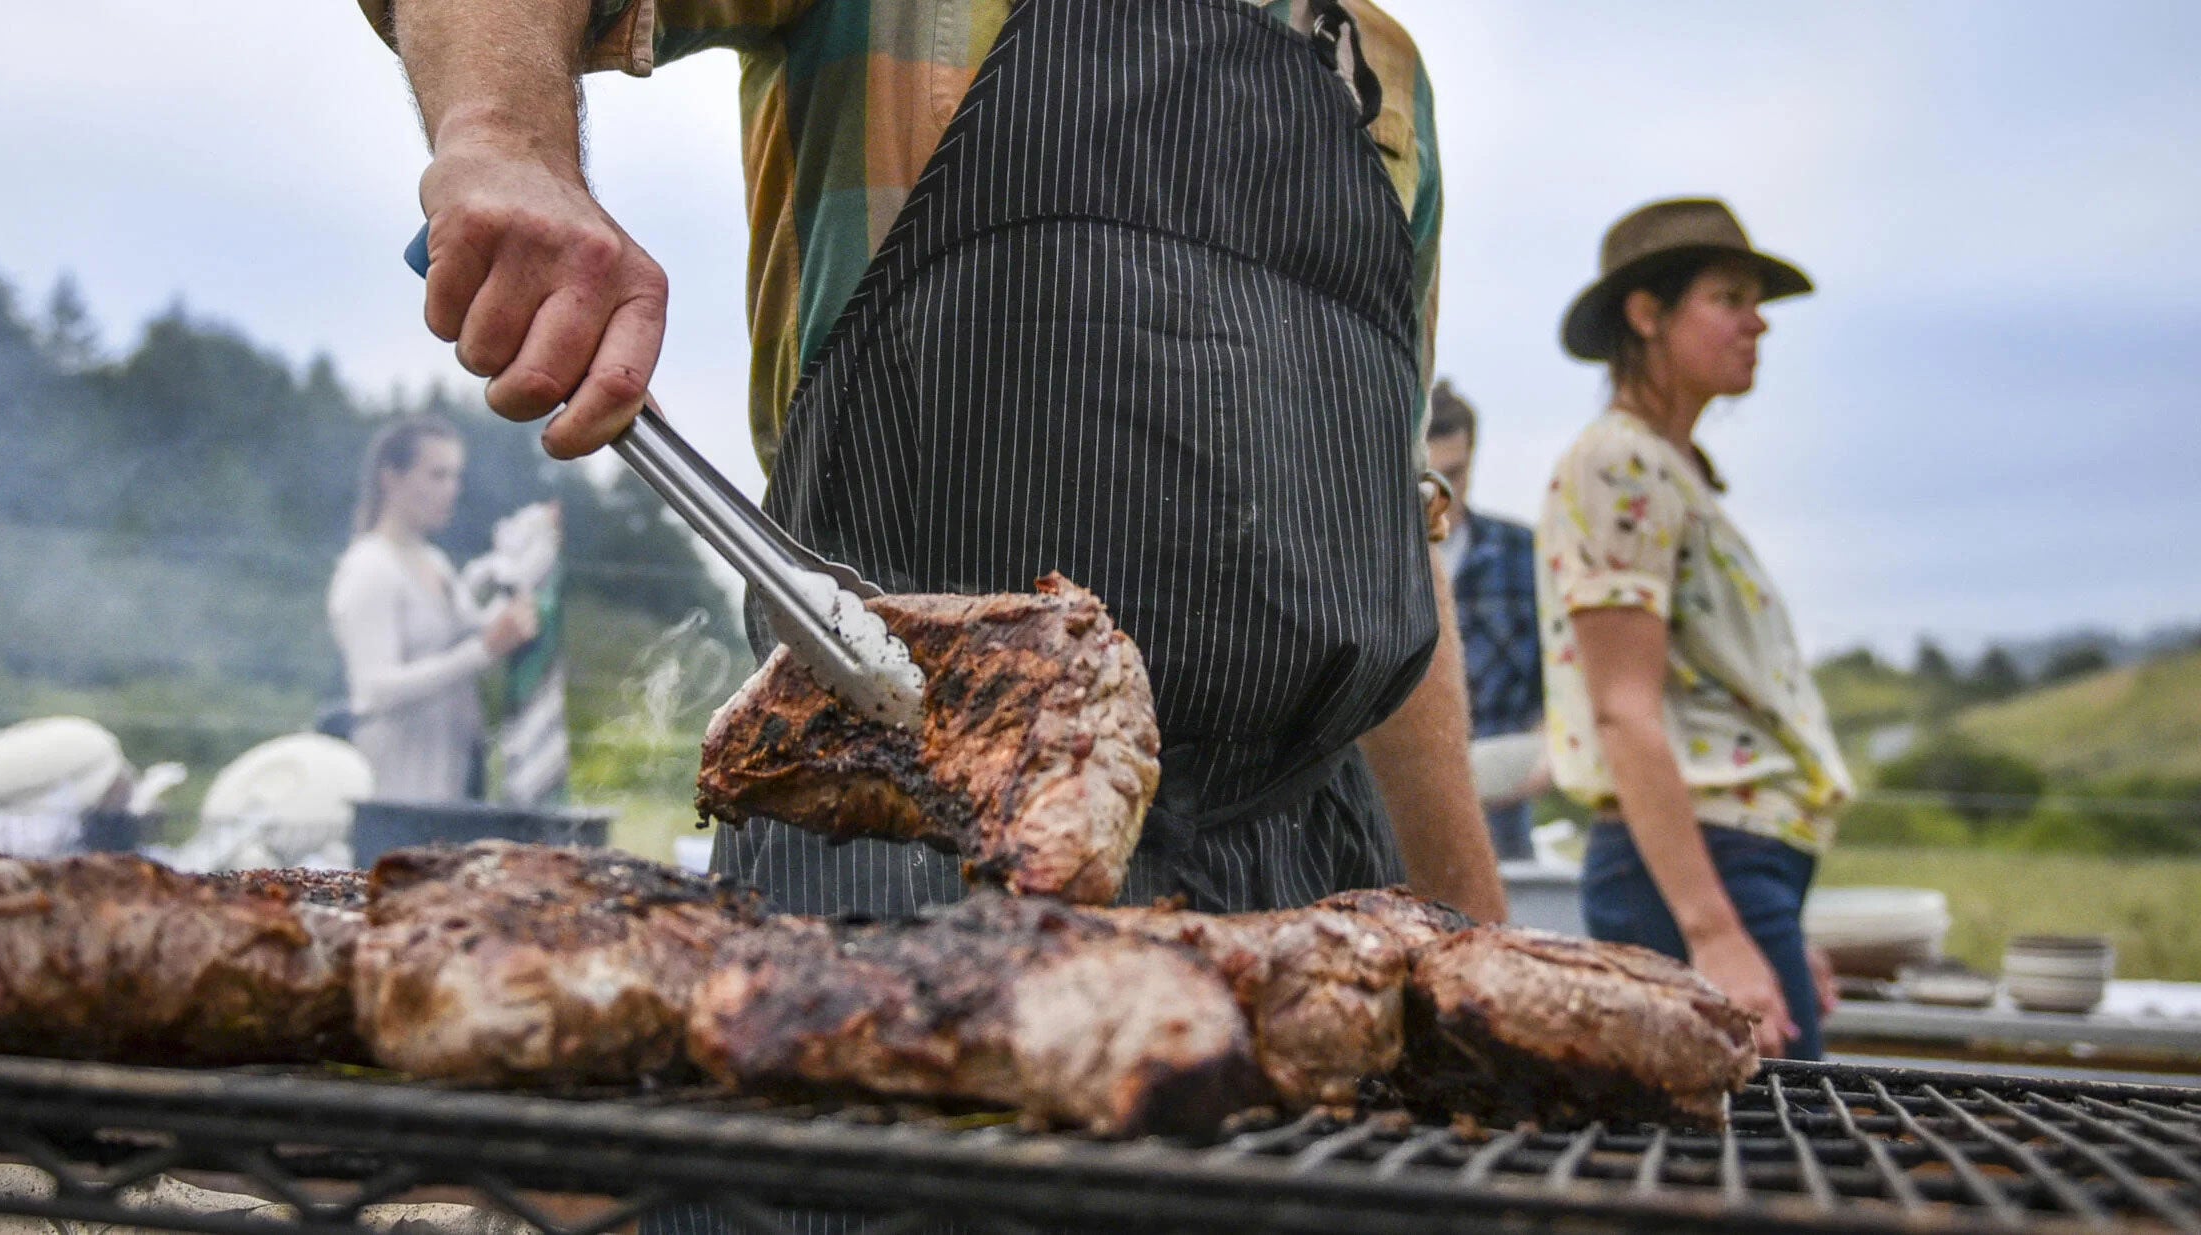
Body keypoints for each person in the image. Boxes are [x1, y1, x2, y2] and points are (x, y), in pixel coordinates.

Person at [352, 0, 1507, 925]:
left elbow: (1385, 537)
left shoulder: (1383, 77)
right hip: (899, 863)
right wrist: (504, 139)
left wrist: (1481, 935)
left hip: (1298, 907)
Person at [1535, 197, 1853, 1059]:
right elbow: (1625, 712)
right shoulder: (1619, 461)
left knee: (1760, 1154)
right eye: (1729, 297)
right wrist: (1717, 929)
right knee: (1754, 1165)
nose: (1758, 323)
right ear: (1647, 313)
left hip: (1724, 866)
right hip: (1687, 865)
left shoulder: (1674, 472)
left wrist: (1773, 927)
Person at [328, 415, 539, 803]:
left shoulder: (435, 561)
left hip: (452, 781)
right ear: (391, 478)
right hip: (396, 787)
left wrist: (531, 557)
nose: (451, 490)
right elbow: (373, 690)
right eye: (437, 475)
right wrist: (485, 649)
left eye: (455, 476)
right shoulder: (370, 567)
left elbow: (473, 634)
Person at [1425, 380, 1548, 861]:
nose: (1444, 497)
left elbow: (1563, 674)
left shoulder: (1523, 554)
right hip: (1394, 807)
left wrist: (1551, 743)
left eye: (1456, 474)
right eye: (1430, 478)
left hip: (1501, 811)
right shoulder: (1378, 562)